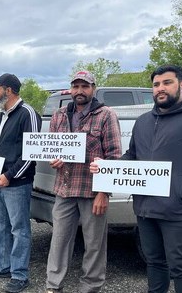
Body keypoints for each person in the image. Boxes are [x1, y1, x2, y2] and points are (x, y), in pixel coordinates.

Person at [91, 65, 182, 293]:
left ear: (181, 85)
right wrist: (107, 167)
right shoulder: (144, 121)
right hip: (146, 208)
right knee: (155, 263)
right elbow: (132, 156)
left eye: (167, 83)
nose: (161, 88)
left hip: (178, 209)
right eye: (156, 84)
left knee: (181, 267)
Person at [44, 71, 122, 293]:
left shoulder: (106, 115)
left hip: (91, 192)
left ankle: (90, 287)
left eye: (84, 86)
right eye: (75, 86)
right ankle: (53, 286)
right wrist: (54, 160)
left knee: (94, 245)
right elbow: (52, 147)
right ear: (70, 89)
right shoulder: (59, 115)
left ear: (93, 89)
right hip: (64, 190)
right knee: (58, 242)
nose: (79, 91)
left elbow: (114, 156)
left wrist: (103, 193)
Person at [0, 73, 41, 293]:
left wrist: (10, 176)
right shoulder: (0, 116)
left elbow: (31, 154)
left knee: (19, 229)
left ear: (9, 90)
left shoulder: (28, 114)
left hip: (16, 183)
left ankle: (19, 274)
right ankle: (1, 265)